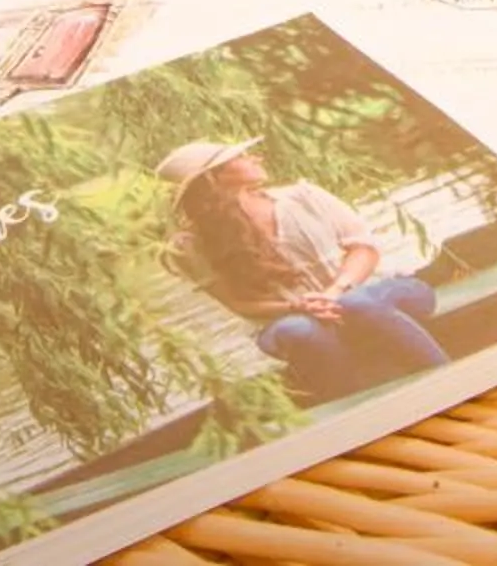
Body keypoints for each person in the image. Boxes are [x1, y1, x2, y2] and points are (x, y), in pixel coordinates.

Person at [157, 139, 449, 403]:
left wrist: (334, 292)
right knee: (298, 329)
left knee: (355, 302)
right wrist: (299, 306)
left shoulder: (303, 197)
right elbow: (240, 303)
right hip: (290, 319)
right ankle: (357, 407)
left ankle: (445, 378)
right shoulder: (191, 245)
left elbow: (364, 250)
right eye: (242, 157)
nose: (256, 157)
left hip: (376, 294)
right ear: (214, 177)